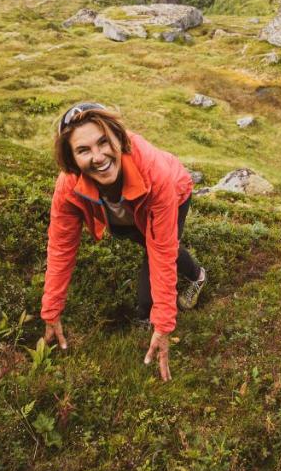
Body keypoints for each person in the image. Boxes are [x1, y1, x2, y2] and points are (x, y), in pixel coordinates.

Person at [40, 102, 207, 381]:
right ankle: (164, 301)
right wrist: (51, 310)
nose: (98, 156)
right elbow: (60, 250)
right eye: (83, 150)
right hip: (122, 213)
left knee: (157, 252)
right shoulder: (68, 186)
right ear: (71, 159)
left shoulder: (155, 173)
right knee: (150, 247)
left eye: (104, 142)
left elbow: (162, 251)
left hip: (171, 193)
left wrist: (164, 324)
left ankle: (195, 278)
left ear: (119, 138)